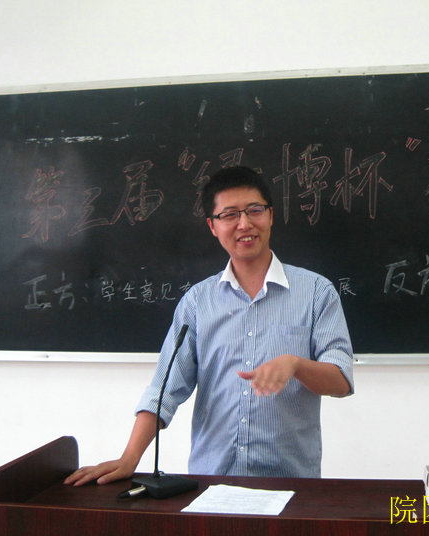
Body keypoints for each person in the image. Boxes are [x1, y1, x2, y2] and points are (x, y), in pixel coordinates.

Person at [65, 166, 354, 486]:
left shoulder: (316, 293)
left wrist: (295, 365)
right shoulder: (197, 303)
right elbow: (164, 391)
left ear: (271, 216)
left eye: (254, 210)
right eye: (230, 215)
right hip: (211, 483)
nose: (244, 224)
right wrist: (128, 459)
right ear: (213, 226)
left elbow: (341, 381)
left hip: (290, 483)